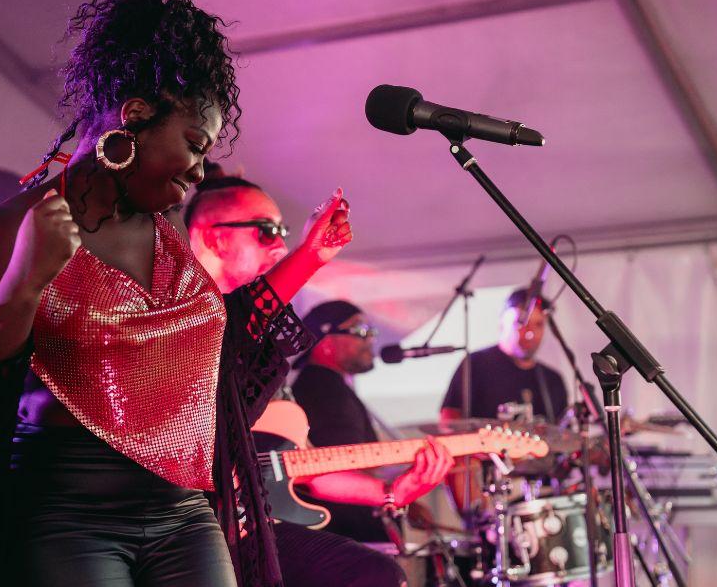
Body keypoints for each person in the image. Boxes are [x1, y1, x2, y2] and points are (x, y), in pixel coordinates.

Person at [0, 0, 351, 587]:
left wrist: (309, 257)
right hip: (63, 515)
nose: (198, 170)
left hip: (185, 516)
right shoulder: (5, 231)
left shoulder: (174, 245)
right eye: (192, 143)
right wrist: (23, 285)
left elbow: (224, 353)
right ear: (133, 115)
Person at [186, 176, 452, 587]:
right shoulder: (181, 325)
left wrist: (394, 492)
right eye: (266, 231)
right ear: (215, 239)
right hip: (190, 530)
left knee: (377, 573)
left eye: (283, 233)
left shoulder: (262, 354)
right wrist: (309, 255)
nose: (279, 245)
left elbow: (303, 465)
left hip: (250, 525)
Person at [292, 300, 454, 545]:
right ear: (324, 342)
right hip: (349, 537)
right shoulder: (324, 390)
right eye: (360, 331)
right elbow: (345, 464)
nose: (370, 339)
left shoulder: (326, 385)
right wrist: (393, 495)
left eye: (370, 331)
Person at [440, 287, 568, 424]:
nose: (530, 333)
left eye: (539, 324)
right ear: (502, 323)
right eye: (522, 322)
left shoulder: (553, 379)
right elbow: (449, 420)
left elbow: (565, 435)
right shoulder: (475, 364)